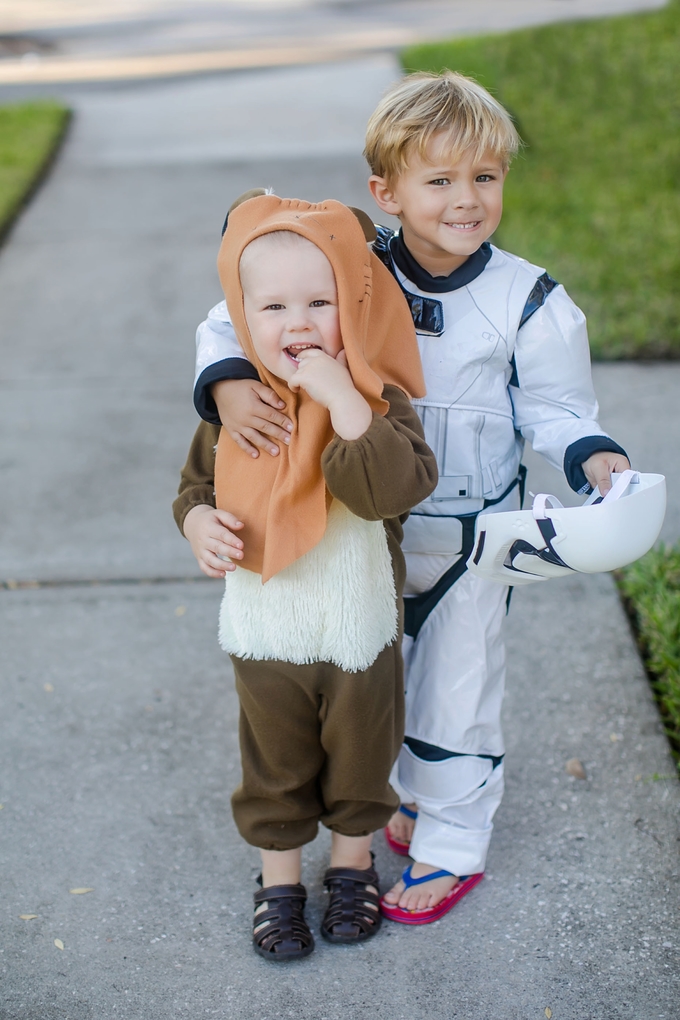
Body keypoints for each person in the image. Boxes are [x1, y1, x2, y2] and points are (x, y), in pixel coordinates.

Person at [188, 72, 630, 924]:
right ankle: (405, 799)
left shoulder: (527, 300)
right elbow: (241, 308)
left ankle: (452, 848)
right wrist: (227, 381)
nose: (466, 200)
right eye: (440, 180)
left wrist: (595, 458)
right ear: (385, 192)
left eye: (486, 177)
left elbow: (559, 408)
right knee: (377, 691)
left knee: (457, 695)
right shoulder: (345, 267)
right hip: (357, 533)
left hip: (470, 537)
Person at [173, 194, 437, 958]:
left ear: (350, 308)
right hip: (266, 628)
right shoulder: (236, 406)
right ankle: (279, 882)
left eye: (318, 304)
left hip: (358, 628)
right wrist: (197, 522)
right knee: (276, 760)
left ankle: (352, 867)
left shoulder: (376, 401)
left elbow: (388, 490)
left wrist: (340, 400)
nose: (297, 324)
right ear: (240, 315)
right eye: (275, 306)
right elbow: (196, 488)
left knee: (362, 755)